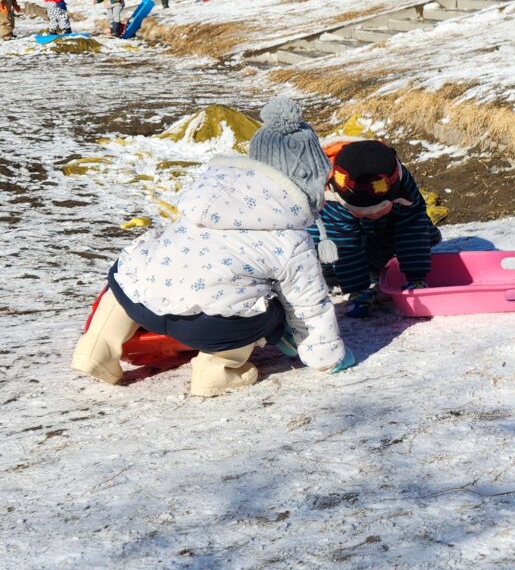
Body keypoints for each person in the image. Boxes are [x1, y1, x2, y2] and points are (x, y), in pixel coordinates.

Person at [71, 99, 351, 397]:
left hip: (141, 303)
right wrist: (326, 356)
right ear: (308, 180)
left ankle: (96, 348)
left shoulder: (208, 194)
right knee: (271, 308)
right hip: (208, 327)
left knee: (131, 270)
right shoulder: (291, 236)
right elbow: (308, 305)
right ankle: (217, 370)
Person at [313, 139, 439, 313]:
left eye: (378, 210)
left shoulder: (401, 184)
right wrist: (358, 290)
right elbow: (345, 246)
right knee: (323, 245)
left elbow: (412, 228)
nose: (372, 215)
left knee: (423, 231)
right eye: (362, 212)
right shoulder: (332, 195)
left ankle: (376, 266)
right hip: (334, 236)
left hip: (380, 229)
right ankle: (334, 275)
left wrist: (416, 277)